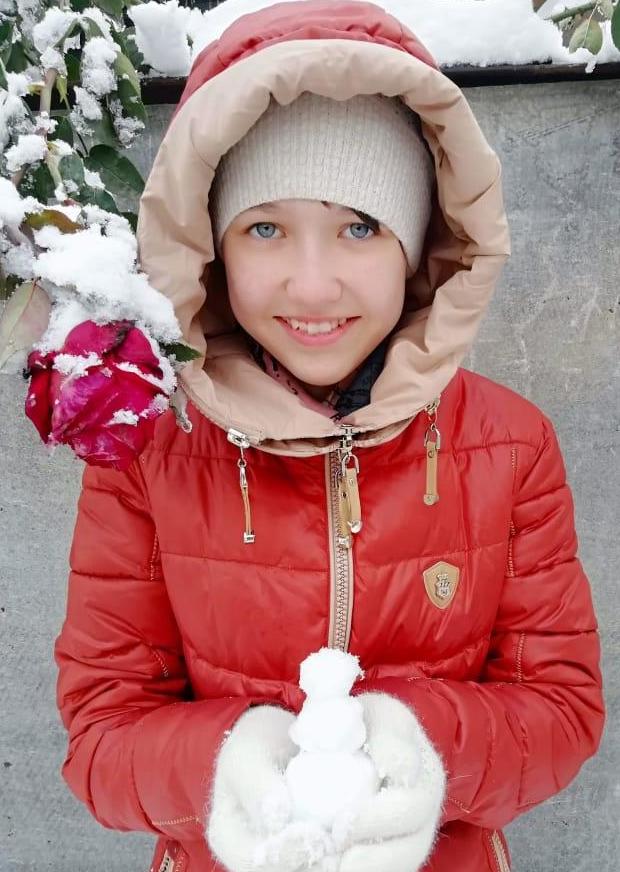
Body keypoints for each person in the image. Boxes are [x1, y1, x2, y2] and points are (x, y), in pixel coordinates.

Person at [53, 2, 605, 872]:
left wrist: (426, 752)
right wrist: (221, 768)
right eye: (265, 228)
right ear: (211, 247)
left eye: (359, 227)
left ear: (419, 247)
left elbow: (562, 711)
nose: (312, 287)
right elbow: (101, 736)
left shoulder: (512, 446)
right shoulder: (150, 451)